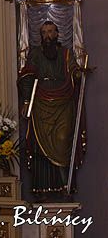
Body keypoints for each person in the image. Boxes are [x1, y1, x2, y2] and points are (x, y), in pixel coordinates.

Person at [19, 21, 84, 197]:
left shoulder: (66, 53)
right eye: (44, 32)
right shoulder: (36, 54)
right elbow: (27, 75)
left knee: (63, 140)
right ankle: (44, 189)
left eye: (50, 32)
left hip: (63, 102)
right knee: (41, 145)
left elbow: (73, 70)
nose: (48, 35)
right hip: (41, 103)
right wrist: (26, 101)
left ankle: (66, 186)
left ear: (57, 34)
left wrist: (78, 73)